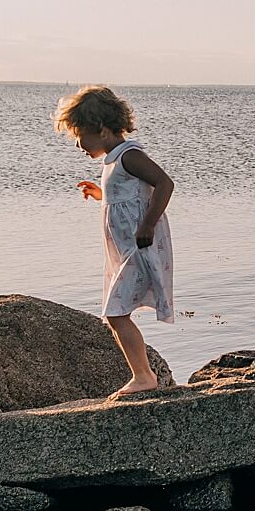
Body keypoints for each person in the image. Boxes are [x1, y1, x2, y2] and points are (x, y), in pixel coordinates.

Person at [56, 84, 174, 395]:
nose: (79, 143)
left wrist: (148, 225)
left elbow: (164, 183)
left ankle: (144, 376)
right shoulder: (112, 160)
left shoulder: (129, 156)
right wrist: (100, 195)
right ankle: (144, 375)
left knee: (115, 312)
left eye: (81, 134)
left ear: (103, 130)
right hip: (123, 250)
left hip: (138, 246)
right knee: (116, 311)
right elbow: (126, 198)